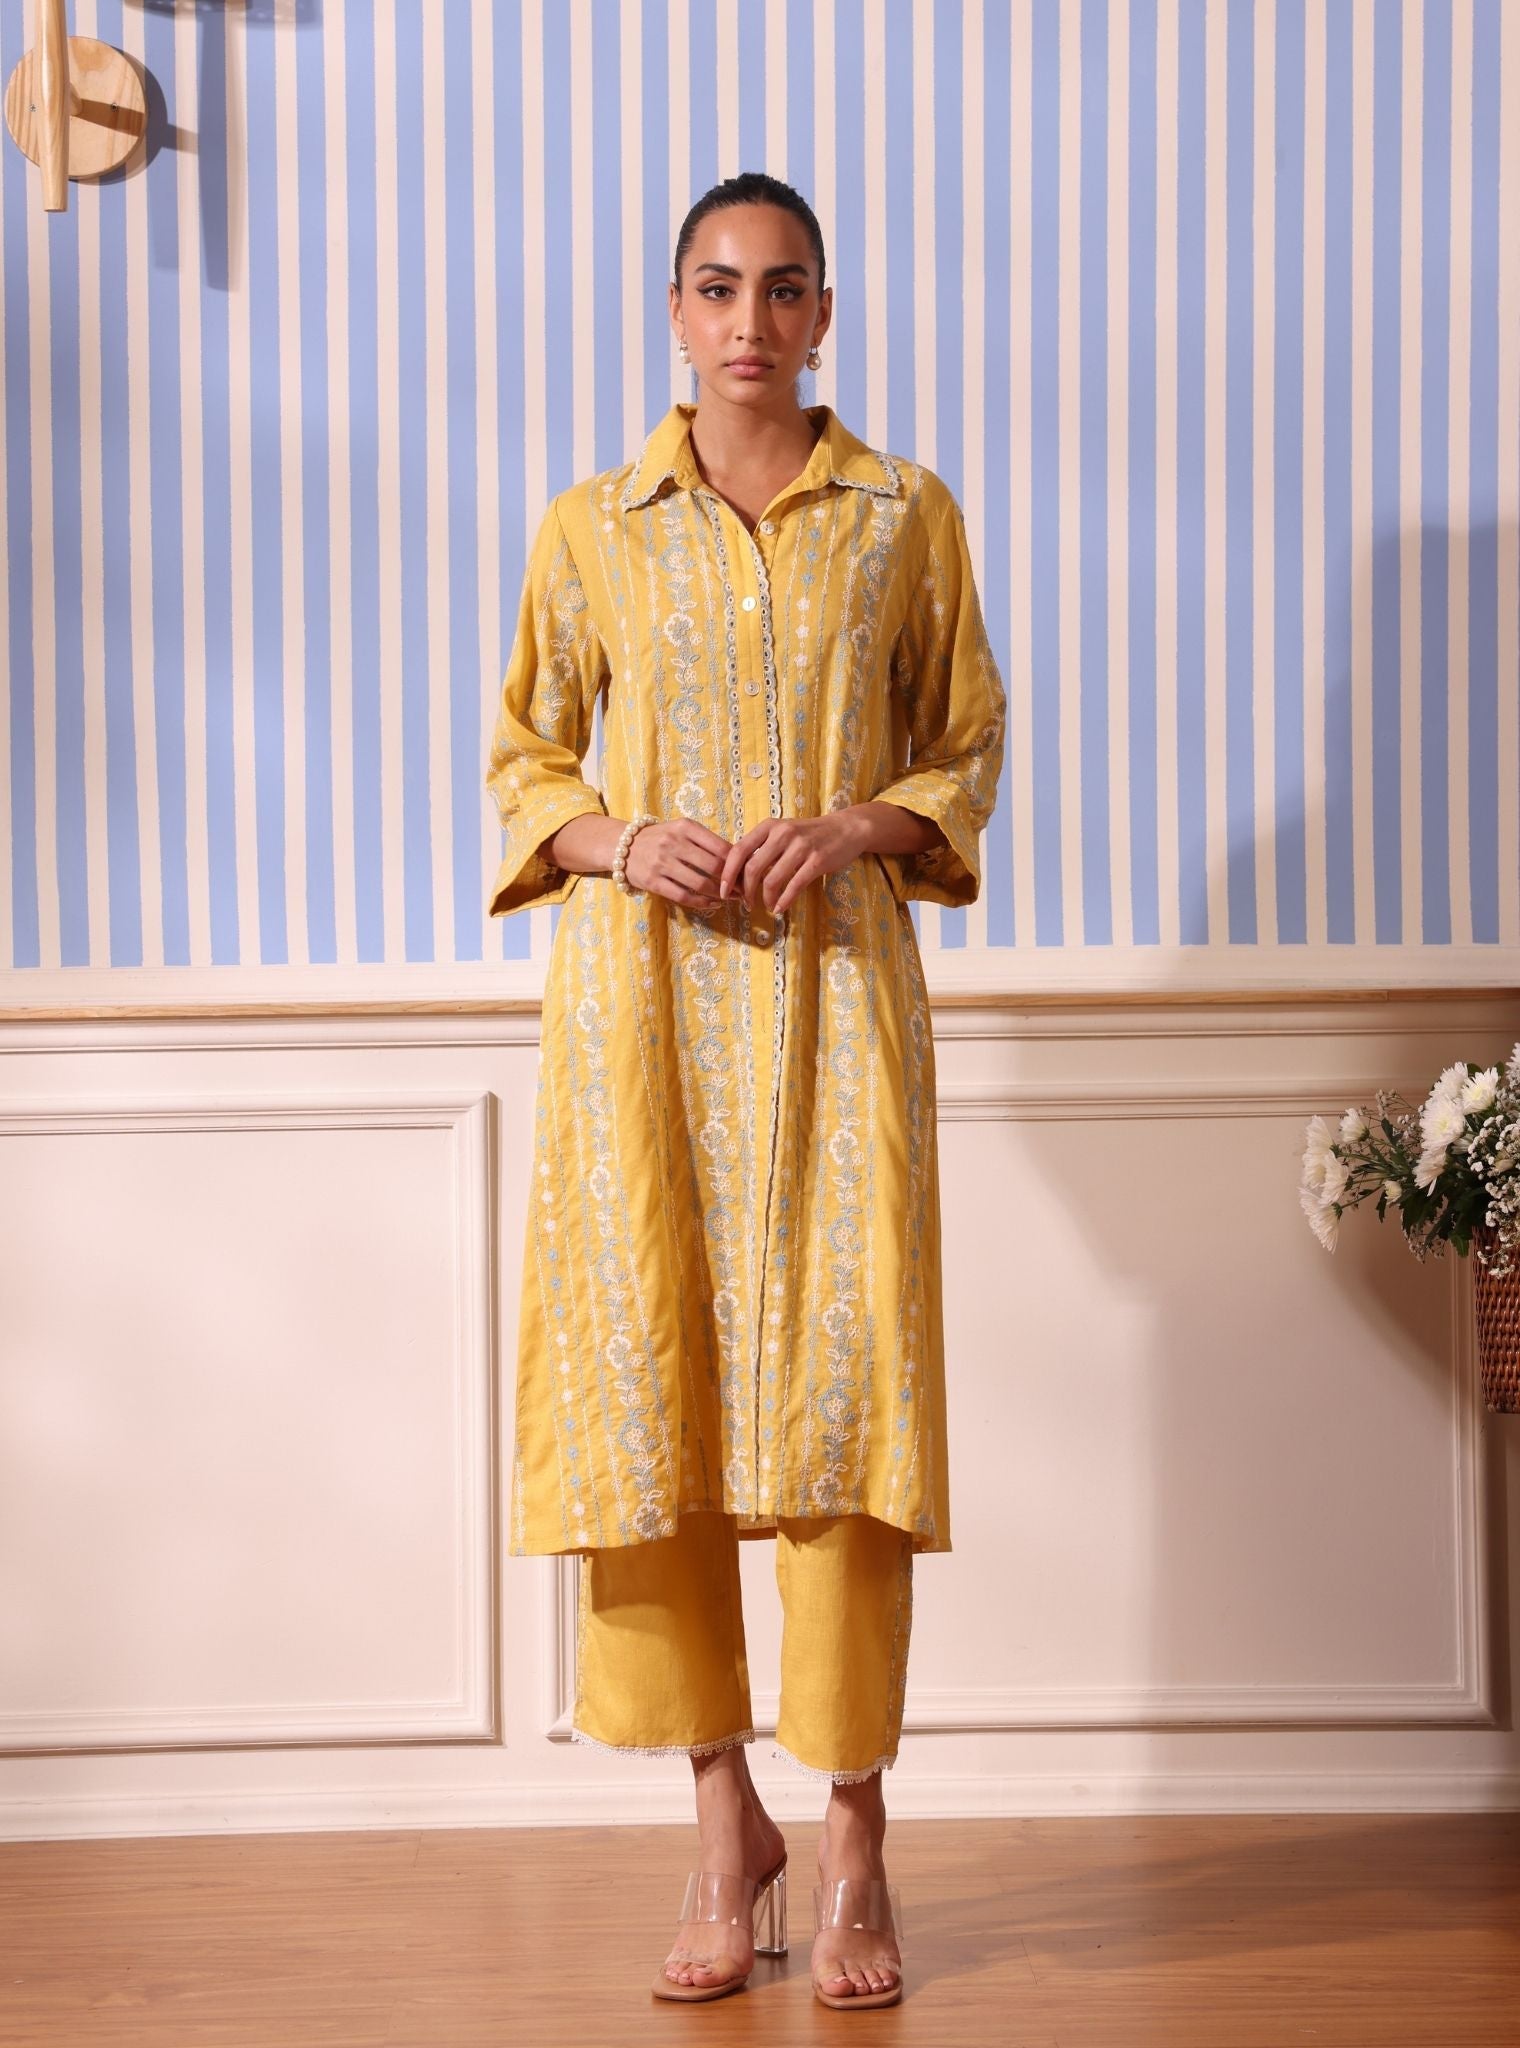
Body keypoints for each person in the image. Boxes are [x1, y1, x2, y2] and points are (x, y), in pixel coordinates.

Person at [485, 171, 1006, 2009]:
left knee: (852, 1416)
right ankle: (725, 1827)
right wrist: (623, 841)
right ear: (674, 310)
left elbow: (964, 742)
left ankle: (855, 1836)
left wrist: (857, 825)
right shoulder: (591, 529)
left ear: (825, 314)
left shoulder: (903, 517)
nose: (750, 323)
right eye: (718, 289)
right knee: (653, 1400)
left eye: (784, 290)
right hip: (640, 1023)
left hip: (842, 1007)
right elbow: (525, 757)